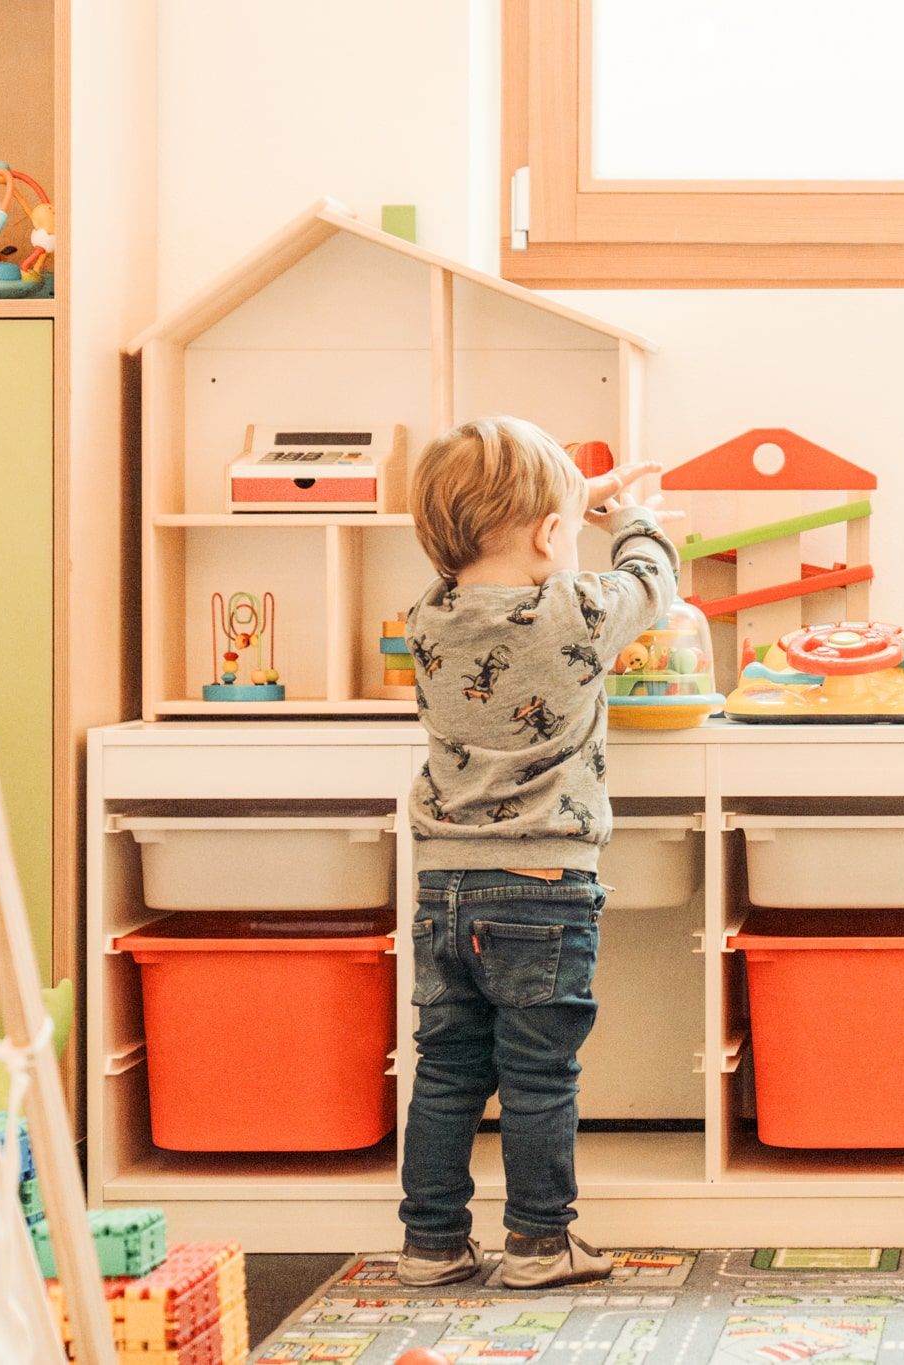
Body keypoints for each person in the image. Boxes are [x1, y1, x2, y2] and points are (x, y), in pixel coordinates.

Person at [396, 416, 679, 1288]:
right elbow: (651, 579)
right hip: (544, 884)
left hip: (443, 883)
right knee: (538, 1074)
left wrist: (563, 505)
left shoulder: (427, 618)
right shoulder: (579, 609)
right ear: (552, 536)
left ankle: (430, 1245)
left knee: (445, 1069)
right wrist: (630, 511)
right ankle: (537, 1244)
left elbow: (499, 557)